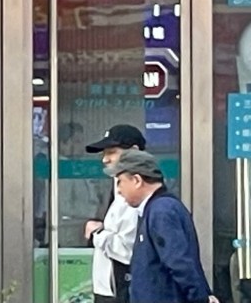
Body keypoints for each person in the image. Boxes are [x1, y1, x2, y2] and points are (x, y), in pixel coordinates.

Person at [107, 150, 218, 303]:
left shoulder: (162, 210)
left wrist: (200, 298)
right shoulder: (155, 209)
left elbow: (179, 262)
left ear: (137, 180)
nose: (119, 190)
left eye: (120, 181)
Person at [82, 124, 147, 303]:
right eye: (104, 154)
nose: (105, 159)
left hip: (120, 289)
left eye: (112, 152)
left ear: (134, 151)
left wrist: (96, 233)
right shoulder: (118, 188)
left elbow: (127, 250)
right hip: (109, 289)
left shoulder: (136, 194)